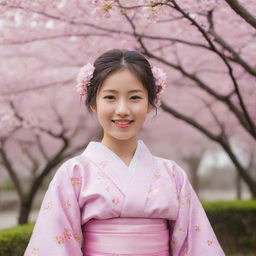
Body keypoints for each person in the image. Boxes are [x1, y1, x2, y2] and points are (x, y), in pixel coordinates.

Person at [24, 49, 225, 256]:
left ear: (150, 103)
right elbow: (55, 245)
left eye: (135, 97)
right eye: (110, 97)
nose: (122, 110)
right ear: (93, 103)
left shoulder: (172, 174)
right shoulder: (74, 173)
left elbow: (196, 245)